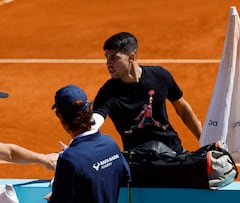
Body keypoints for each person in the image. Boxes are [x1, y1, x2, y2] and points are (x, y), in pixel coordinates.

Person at [92, 32, 202, 185]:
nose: (108, 63)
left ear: (131, 57)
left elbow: (182, 108)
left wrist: (203, 138)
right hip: (140, 164)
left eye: (114, 57)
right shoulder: (108, 92)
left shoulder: (160, 76)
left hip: (173, 154)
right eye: (107, 57)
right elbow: (95, 121)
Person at [47, 84, 130, 203]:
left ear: (60, 117)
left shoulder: (69, 159)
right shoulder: (110, 143)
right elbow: (124, 176)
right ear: (88, 110)